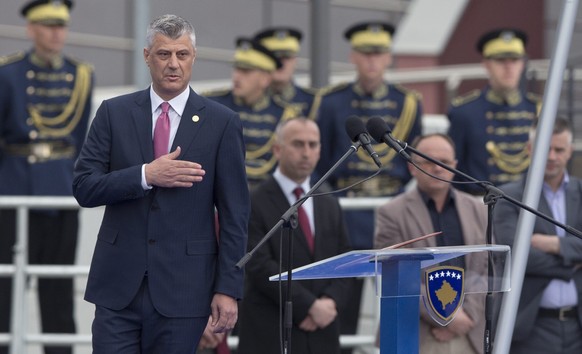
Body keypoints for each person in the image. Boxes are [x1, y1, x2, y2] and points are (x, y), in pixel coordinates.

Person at [72, 14, 249, 353]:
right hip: (118, 289)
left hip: (184, 291)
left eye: (182, 55)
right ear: (146, 56)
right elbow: (84, 185)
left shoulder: (222, 123)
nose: (173, 64)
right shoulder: (114, 113)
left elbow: (235, 214)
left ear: (193, 58)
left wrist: (228, 288)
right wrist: (144, 176)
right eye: (164, 54)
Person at [315, 21, 422, 350]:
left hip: (392, 211)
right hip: (346, 210)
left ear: (389, 57)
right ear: (353, 57)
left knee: (397, 303)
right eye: (365, 54)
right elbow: (321, 165)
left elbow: (413, 163)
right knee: (341, 302)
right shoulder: (332, 102)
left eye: (379, 54)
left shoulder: (408, 103)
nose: (372, 61)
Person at [0, 1, 94, 353]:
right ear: (31, 29)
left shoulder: (82, 75)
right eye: (48, 25)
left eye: (61, 26)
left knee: (57, 289)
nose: (56, 33)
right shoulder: (7, 74)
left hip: (59, 189)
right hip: (14, 186)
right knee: (5, 287)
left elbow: (82, 141)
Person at [237, 117, 352, 354]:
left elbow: (345, 261)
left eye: (313, 145)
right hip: (271, 331)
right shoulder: (254, 201)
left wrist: (329, 303)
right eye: (298, 144)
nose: (306, 152)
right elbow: (258, 265)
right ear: (277, 149)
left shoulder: (329, 202)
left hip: (323, 332)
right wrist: (309, 306)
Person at [374, 133, 488, 354]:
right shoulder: (391, 213)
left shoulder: (479, 210)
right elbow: (393, 274)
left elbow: (485, 268)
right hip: (416, 335)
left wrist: (466, 317)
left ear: (455, 165)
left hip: (470, 333)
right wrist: (446, 316)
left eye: (444, 162)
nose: (437, 168)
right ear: (412, 168)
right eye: (428, 161)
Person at [493, 117, 582, 354]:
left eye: (559, 149)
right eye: (546, 148)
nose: (552, 156)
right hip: (532, 329)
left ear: (570, 151)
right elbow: (517, 255)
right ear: (530, 149)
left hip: (578, 327)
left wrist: (553, 244)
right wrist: (572, 264)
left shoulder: (581, 193)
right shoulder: (509, 198)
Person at [448, 28, 541, 195]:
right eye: (501, 60)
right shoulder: (465, 112)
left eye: (514, 60)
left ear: (523, 63)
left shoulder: (538, 109)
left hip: (529, 204)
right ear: (486, 64)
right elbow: (454, 170)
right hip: (481, 206)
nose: (508, 67)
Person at [203, 37, 300, 188]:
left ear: (265, 79)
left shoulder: (285, 114)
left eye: (246, 71)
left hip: (265, 197)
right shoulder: (212, 104)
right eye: (236, 69)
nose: (237, 76)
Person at [253, 27, 319, 119]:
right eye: (275, 58)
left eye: (287, 57)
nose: (281, 64)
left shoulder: (312, 102)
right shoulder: (249, 99)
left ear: (295, 61)